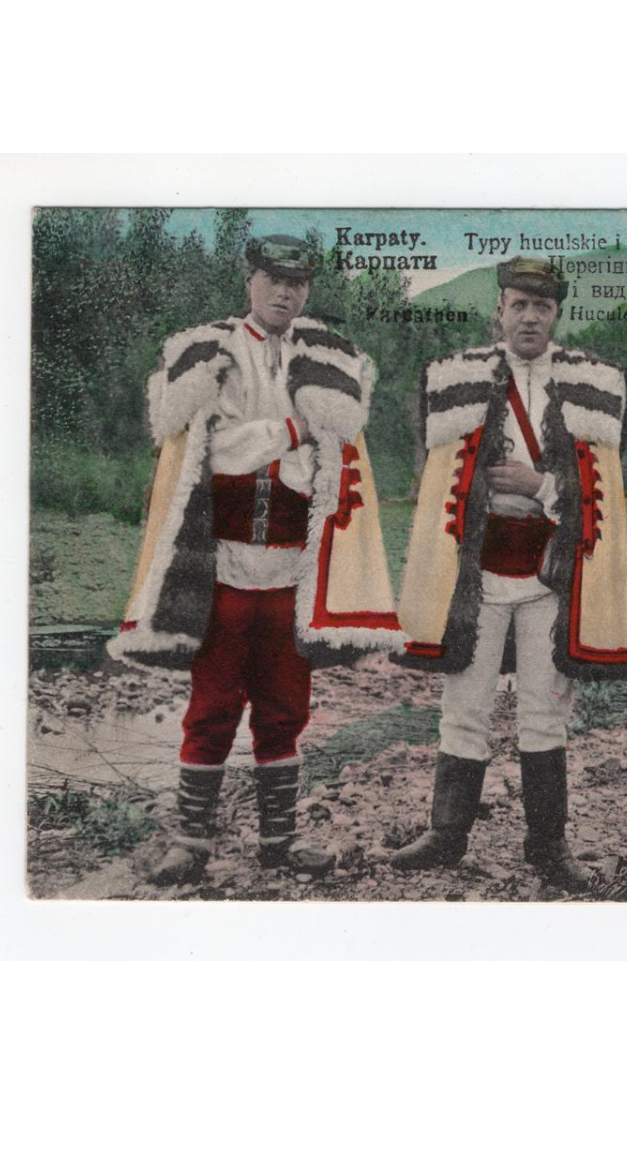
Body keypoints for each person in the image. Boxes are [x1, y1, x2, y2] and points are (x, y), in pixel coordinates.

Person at [108, 234, 405, 886]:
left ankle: (280, 841)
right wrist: (294, 431)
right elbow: (220, 453)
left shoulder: (331, 359)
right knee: (211, 706)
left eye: (297, 283)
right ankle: (190, 843)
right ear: (252, 281)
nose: (285, 292)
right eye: (274, 279)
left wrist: (262, 442)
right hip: (219, 569)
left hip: (292, 573)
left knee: (285, 710)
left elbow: (316, 468)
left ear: (308, 290)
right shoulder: (207, 352)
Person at [391, 256, 627, 889]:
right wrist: (483, 490)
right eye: (519, 305)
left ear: (556, 314)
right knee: (464, 705)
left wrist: (542, 487)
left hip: (548, 577)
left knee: (544, 711)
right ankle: (447, 835)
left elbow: (598, 491)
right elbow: (442, 480)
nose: (529, 317)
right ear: (499, 311)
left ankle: (548, 846)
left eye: (542, 306)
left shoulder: (593, 385)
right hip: (475, 575)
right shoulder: (457, 379)